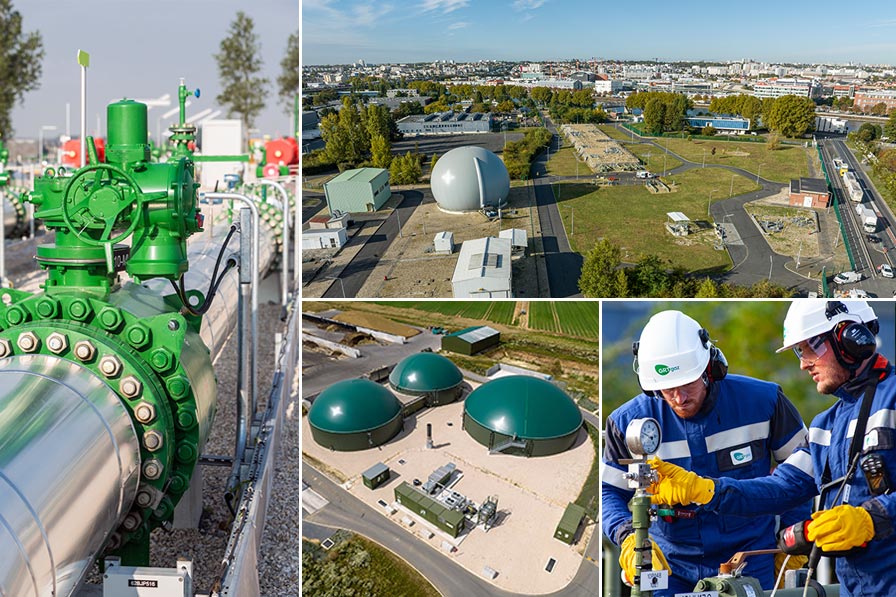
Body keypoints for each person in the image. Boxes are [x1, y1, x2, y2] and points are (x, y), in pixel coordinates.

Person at [649, 300, 894, 596]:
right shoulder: (824, 428)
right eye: (797, 352)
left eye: (808, 348)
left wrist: (874, 518)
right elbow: (778, 489)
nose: (803, 363)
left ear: (850, 338)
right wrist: (705, 490)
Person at [602, 310, 811, 595]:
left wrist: (792, 544)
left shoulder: (765, 403)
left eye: (687, 383)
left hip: (751, 557)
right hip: (671, 565)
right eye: (667, 389)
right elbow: (609, 492)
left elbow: (801, 474)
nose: (679, 398)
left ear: (710, 369)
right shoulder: (627, 424)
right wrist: (628, 539)